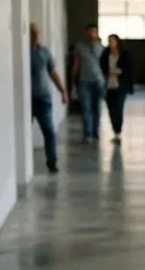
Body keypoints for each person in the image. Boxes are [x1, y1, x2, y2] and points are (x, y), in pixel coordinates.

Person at [28, 23, 68, 173]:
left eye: (37, 33)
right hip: (26, 100)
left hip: (43, 97)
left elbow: (52, 72)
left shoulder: (44, 52)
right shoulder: (21, 52)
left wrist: (62, 91)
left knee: (49, 131)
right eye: (32, 33)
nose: (36, 35)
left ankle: (52, 161)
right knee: (23, 131)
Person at [71, 24, 105, 141]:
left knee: (97, 108)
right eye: (90, 32)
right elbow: (76, 64)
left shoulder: (102, 47)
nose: (92, 34)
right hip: (84, 81)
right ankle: (87, 133)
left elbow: (105, 65)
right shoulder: (80, 47)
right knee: (86, 108)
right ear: (86, 33)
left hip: (99, 81)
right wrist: (73, 80)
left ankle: (95, 132)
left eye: (94, 32)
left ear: (97, 33)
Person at [100, 34, 134, 143]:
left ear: (117, 42)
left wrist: (119, 71)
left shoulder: (124, 54)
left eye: (113, 41)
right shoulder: (105, 54)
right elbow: (101, 66)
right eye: (109, 41)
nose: (111, 43)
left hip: (121, 85)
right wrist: (107, 73)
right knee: (110, 108)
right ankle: (115, 130)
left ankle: (118, 131)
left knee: (118, 108)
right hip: (108, 85)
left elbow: (129, 68)